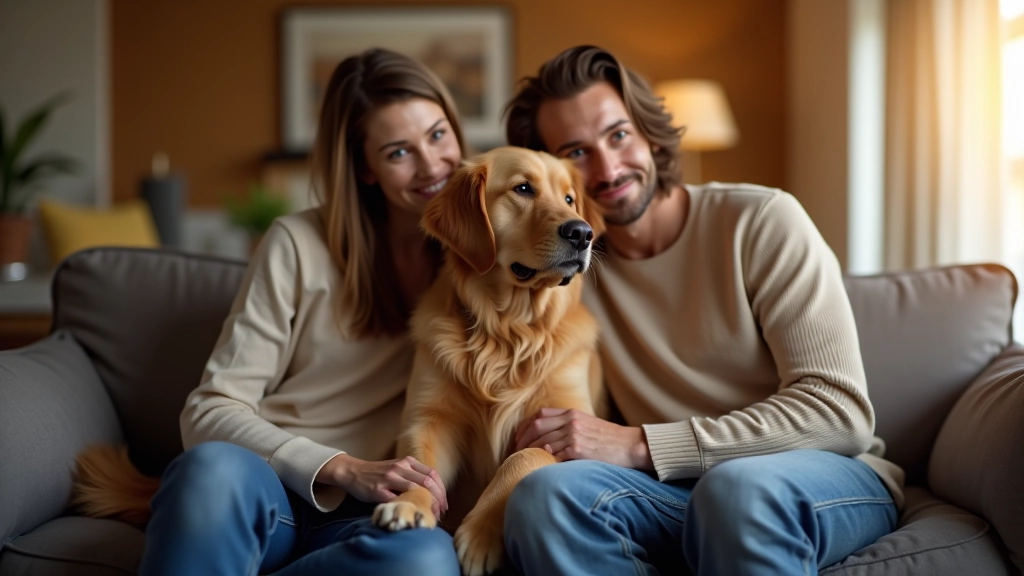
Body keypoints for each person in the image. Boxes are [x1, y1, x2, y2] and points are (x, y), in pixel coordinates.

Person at [501, 45, 905, 576]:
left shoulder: (761, 220)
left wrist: (641, 444)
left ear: (648, 133)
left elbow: (839, 413)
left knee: (735, 491)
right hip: (674, 492)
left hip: (823, 476)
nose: (607, 168)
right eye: (575, 152)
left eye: (618, 135)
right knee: (544, 497)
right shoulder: (563, 271)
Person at [138, 48, 465, 576]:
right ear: (365, 168)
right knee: (211, 470)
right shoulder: (296, 243)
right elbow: (208, 412)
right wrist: (343, 467)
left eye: (438, 135)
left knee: (424, 560)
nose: (432, 166)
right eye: (399, 152)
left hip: (375, 516)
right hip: (270, 490)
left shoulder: (484, 260)